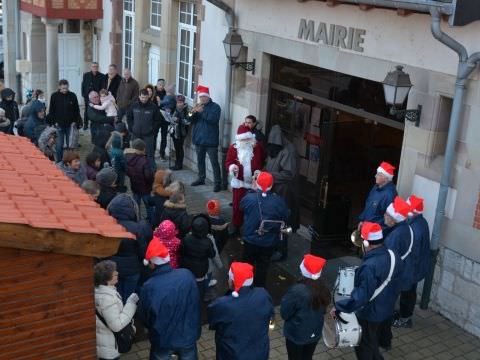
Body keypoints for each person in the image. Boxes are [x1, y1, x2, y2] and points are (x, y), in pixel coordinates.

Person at [333, 222, 403, 360]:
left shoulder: (370, 266)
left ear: (366, 243)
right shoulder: (393, 255)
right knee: (372, 342)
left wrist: (340, 307)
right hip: (386, 306)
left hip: (371, 312)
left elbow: (361, 296)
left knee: (364, 346)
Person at [138, 239, 201, 359]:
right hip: (188, 335)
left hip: (163, 339)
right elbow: (195, 302)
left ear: (152, 263)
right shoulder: (187, 274)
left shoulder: (149, 286)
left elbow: (144, 316)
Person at [207, 262, 274, 360]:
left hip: (232, 354)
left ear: (232, 281)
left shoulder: (222, 304)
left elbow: (213, 322)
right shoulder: (263, 294)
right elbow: (270, 314)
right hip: (259, 353)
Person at [241, 172, 290, 288]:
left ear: (256, 182)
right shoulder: (279, 201)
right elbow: (286, 215)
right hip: (269, 241)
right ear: (272, 185)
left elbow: (241, 206)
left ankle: (244, 287)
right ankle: (259, 289)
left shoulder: (249, 198)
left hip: (251, 239)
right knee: (263, 267)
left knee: (246, 266)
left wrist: (252, 190)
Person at [378, 196, 415, 349]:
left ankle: (384, 340)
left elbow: (388, 260)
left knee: (383, 310)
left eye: (387, 215)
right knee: (386, 308)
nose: (384, 216)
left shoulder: (396, 236)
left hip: (390, 278)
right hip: (397, 274)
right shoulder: (404, 228)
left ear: (394, 219)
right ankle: (385, 340)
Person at [281, 255, 330, 360]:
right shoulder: (324, 288)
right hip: (314, 333)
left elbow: (284, 313)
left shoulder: (297, 291)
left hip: (296, 334)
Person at [107, 194, 153, 303]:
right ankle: (128, 314)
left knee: (115, 292)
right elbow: (143, 251)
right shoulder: (137, 228)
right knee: (129, 295)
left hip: (113, 266)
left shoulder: (107, 224)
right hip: (132, 269)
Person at [393, 195, 431, 329]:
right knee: (408, 292)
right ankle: (404, 314)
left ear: (414, 211)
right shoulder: (420, 222)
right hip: (415, 267)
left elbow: (411, 254)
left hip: (411, 269)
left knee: (407, 293)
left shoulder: (415, 228)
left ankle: (405, 319)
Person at [265, 124, 299, 261]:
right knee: (273, 220)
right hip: (274, 190)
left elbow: (288, 173)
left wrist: (267, 175)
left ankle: (282, 251)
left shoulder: (288, 150)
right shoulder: (275, 148)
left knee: (282, 222)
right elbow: (268, 164)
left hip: (284, 192)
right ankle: (274, 247)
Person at [94, 260, 138, 360]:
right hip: (109, 348)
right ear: (107, 279)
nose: (117, 273)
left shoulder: (103, 291)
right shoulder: (106, 299)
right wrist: (131, 304)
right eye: (114, 274)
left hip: (106, 342)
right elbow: (116, 326)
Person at [225, 124, 264, 231]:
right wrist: (233, 168)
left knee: (253, 207)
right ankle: (236, 225)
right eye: (244, 140)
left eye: (248, 139)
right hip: (239, 184)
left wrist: (258, 172)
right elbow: (228, 162)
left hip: (254, 184)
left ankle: (250, 227)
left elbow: (262, 162)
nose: (246, 142)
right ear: (239, 140)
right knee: (238, 206)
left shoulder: (257, 147)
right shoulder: (233, 148)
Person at [189, 85, 222, 192]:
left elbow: (213, 119)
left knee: (214, 163)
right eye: (201, 97)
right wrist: (192, 111)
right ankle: (201, 178)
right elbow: (189, 118)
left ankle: (218, 183)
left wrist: (201, 112)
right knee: (200, 161)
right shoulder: (198, 106)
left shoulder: (216, 107)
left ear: (208, 97)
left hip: (211, 141)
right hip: (199, 139)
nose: (202, 99)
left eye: (204, 97)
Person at [181, 214, 216, 300]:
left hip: (187, 266)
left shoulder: (186, 238)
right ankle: (199, 297)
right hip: (201, 268)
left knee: (189, 281)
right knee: (200, 284)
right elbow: (212, 254)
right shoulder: (207, 242)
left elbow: (181, 251)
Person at [127, 89, 162, 170]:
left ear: (148, 97)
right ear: (139, 96)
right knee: (134, 153)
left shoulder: (153, 107)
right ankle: (134, 170)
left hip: (148, 135)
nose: (144, 99)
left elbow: (158, 120)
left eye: (146, 97)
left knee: (149, 154)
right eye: (142, 97)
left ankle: (152, 172)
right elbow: (129, 117)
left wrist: (153, 130)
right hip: (135, 134)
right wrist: (131, 128)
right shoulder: (134, 105)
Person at [47, 79, 81, 161]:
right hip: (59, 125)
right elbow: (51, 110)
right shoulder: (54, 96)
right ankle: (59, 162)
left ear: (68, 87)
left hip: (70, 125)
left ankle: (70, 161)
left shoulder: (72, 95)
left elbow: (77, 110)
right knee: (59, 146)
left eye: (66, 88)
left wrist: (75, 121)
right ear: (59, 87)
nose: (64, 90)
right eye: (63, 88)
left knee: (71, 146)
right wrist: (54, 122)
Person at [358, 161, 398, 231]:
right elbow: (368, 205)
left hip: (374, 231)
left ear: (386, 178)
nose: (375, 176)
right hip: (366, 227)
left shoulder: (390, 195)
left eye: (379, 175)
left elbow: (389, 220)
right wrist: (362, 220)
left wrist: (371, 226)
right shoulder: (376, 187)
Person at [125, 138, 155, 220]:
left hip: (135, 187)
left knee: (136, 205)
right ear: (142, 148)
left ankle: (136, 219)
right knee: (149, 206)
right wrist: (152, 183)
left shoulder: (127, 158)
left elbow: (127, 172)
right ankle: (150, 221)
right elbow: (148, 176)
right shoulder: (144, 161)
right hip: (145, 188)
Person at [168, 95, 190, 170]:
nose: (180, 104)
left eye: (181, 102)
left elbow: (188, 121)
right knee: (176, 148)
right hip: (174, 131)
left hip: (181, 132)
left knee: (179, 149)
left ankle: (179, 165)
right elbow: (171, 117)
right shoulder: (175, 109)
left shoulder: (187, 110)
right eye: (178, 102)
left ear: (184, 102)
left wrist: (179, 120)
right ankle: (177, 163)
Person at [82, 62, 106, 131]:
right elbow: (83, 85)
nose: (95, 68)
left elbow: (103, 87)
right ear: (91, 67)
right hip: (88, 96)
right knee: (87, 110)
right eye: (93, 66)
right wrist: (84, 94)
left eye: (96, 66)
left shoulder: (102, 76)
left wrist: (100, 96)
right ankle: (86, 124)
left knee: (98, 110)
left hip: (97, 97)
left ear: (98, 67)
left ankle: (97, 122)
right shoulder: (86, 75)